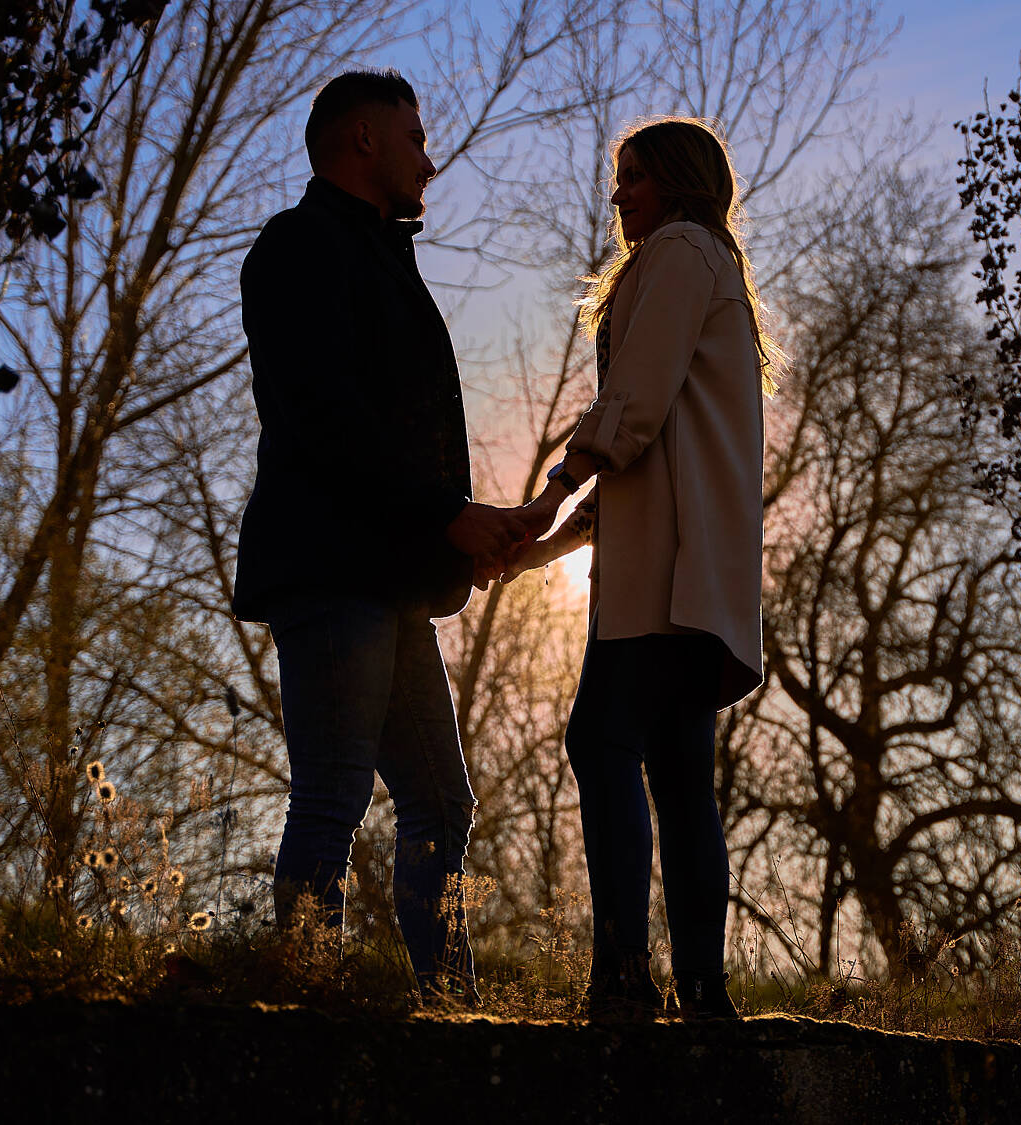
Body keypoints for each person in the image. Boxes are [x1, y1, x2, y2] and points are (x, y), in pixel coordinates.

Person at [232, 69, 543, 1004]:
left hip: (397, 578)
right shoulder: (297, 249)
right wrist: (449, 516)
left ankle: (451, 1005)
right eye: (415, 136)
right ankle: (299, 1004)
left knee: (442, 802)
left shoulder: (378, 256)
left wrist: (459, 534)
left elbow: (398, 430)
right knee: (332, 796)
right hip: (331, 573)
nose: (430, 157)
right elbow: (326, 420)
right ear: (363, 139)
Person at [499, 117, 776, 1021]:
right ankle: (703, 993)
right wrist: (554, 539)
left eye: (635, 177)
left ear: (677, 183)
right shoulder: (699, 263)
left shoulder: (683, 249)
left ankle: (623, 979)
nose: (619, 196)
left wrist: (553, 489)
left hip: (669, 581)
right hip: (689, 578)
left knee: (601, 741)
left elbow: (636, 402)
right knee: (680, 773)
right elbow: (648, 443)